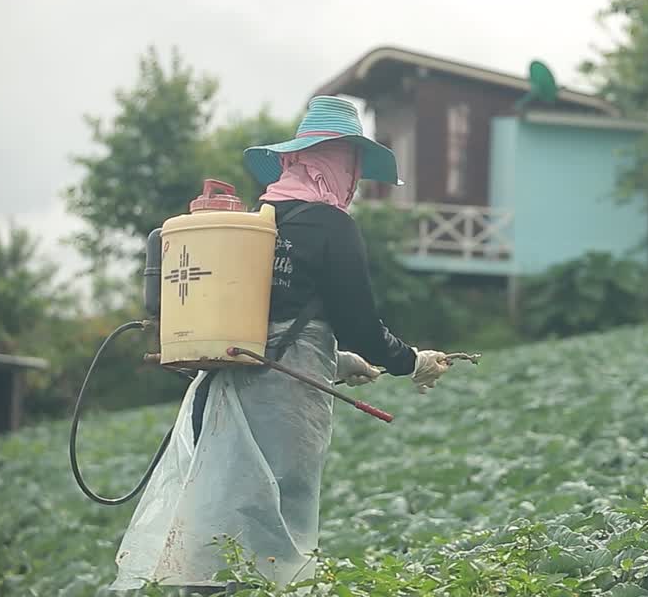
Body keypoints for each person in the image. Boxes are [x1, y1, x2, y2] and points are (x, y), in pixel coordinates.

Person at [108, 95, 453, 594]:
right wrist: (410, 361)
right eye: (351, 163)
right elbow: (356, 322)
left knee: (213, 518)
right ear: (342, 163)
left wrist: (336, 360)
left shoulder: (253, 222)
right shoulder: (332, 225)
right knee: (270, 532)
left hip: (216, 393)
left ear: (293, 159)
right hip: (280, 409)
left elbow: (263, 324)